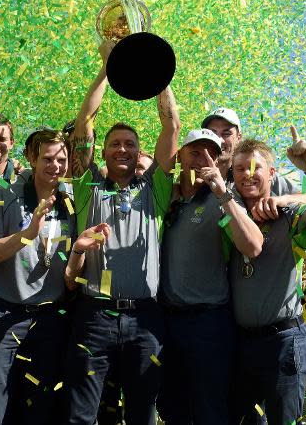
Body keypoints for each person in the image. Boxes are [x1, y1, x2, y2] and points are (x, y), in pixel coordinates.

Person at [64, 39, 179, 424]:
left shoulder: (155, 189)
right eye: (114, 144)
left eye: (130, 144)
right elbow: (84, 125)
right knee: (82, 414)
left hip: (145, 319)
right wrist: (108, 67)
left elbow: (172, 125)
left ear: (137, 150)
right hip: (94, 317)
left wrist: (159, 74)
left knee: (142, 415)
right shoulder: (88, 185)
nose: (122, 149)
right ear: (104, 151)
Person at [228, 128, 306, 424]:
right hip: (240, 343)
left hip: (283, 341)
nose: (247, 174)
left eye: (255, 167)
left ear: (272, 172)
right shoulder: (227, 213)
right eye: (240, 168)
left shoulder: (291, 215)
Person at [157, 129, 263, 424]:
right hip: (166, 321)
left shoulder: (222, 200)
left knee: (210, 409)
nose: (204, 160)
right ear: (179, 156)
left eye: (212, 155)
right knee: (171, 407)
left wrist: (222, 194)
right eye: (195, 152)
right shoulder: (166, 195)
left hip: (208, 323)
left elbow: (252, 246)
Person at [0, 130, 72, 424]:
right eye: (48, 159)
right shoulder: (5, 193)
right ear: (30, 157)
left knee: (39, 405)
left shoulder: (69, 199)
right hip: (5, 314)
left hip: (50, 318)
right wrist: (26, 235)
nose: (56, 166)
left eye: (62, 159)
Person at [199, 108, 306, 221]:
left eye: (226, 133)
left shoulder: (260, 177)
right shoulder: (195, 177)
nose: (219, 139)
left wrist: (283, 200)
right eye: (213, 133)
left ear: (239, 137)